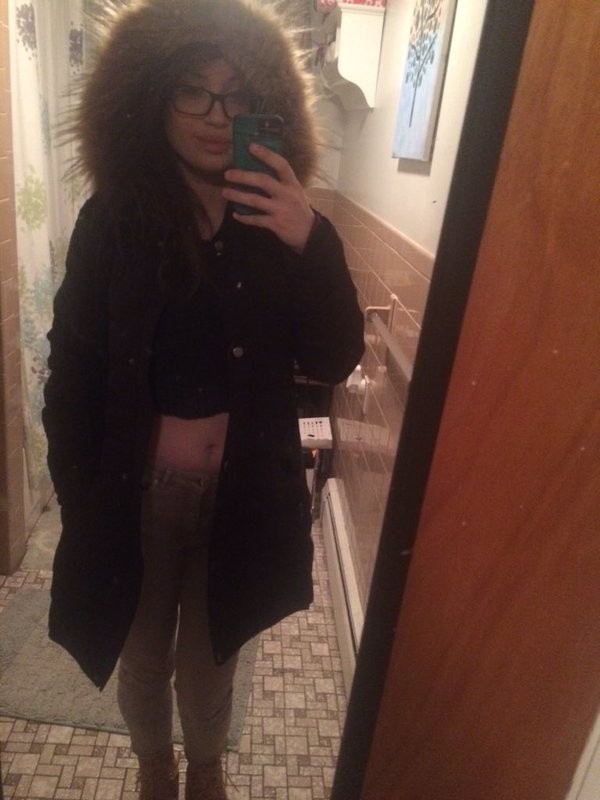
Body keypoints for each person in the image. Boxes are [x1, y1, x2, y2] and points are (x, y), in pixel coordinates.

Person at [42, 0, 364, 798]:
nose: (218, 116)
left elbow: (335, 357)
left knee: (210, 660)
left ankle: (208, 770)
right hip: (137, 491)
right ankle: (155, 768)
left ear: (265, 106)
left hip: (241, 492)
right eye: (194, 90)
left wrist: (311, 240)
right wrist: (79, 492)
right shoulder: (113, 223)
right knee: (143, 655)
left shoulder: (282, 224)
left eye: (237, 94)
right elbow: (72, 367)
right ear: (155, 98)